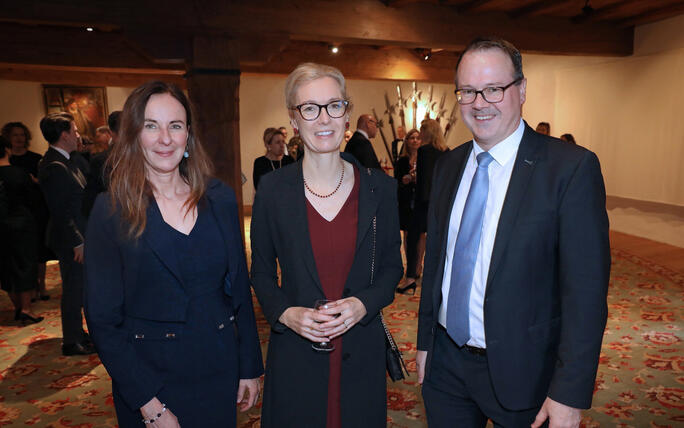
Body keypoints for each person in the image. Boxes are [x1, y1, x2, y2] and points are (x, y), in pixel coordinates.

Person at [416, 36, 610, 428]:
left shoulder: (569, 169)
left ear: (521, 90)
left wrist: (569, 392)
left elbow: (586, 295)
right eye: (468, 91)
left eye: (493, 89)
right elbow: (437, 263)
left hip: (528, 373)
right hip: (446, 367)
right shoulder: (449, 166)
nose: (479, 102)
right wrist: (425, 343)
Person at [83, 81, 263, 427]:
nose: (165, 138)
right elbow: (103, 321)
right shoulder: (111, 211)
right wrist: (150, 405)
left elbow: (239, 290)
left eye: (175, 126)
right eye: (151, 126)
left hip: (218, 369)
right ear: (134, 135)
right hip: (150, 379)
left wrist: (249, 366)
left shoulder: (220, 199)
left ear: (188, 135)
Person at [250, 62, 403, 428]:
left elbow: (391, 268)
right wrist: (287, 314)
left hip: (361, 352)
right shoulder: (273, 191)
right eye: (310, 108)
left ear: (347, 114)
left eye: (334, 105)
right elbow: (261, 272)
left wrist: (363, 304)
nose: (323, 119)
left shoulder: (378, 188)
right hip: (296, 352)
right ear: (294, 119)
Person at [38, 112, 93, 356]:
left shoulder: (68, 159)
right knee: (73, 289)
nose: (78, 134)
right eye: (74, 130)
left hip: (79, 234)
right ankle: (71, 341)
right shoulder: (54, 165)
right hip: (70, 239)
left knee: (79, 288)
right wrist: (77, 242)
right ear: (64, 135)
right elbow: (60, 211)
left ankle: (78, 334)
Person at [2, 121, 52, 301]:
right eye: (15, 135)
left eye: (22, 135)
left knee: (40, 251)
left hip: (35, 209)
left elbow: (44, 184)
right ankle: (26, 290)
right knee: (20, 254)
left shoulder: (36, 158)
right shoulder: (7, 162)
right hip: (14, 212)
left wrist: (36, 182)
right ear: (8, 138)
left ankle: (41, 285)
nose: (19, 138)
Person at [400, 119, 449, 294]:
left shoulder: (424, 151)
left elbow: (424, 181)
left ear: (427, 132)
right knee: (438, 240)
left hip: (424, 202)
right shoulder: (446, 151)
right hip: (441, 202)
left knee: (413, 239)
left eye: (421, 129)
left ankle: (411, 278)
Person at [0, 135, 43, 324]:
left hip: (1, 225)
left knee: (6, 266)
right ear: (7, 149)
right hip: (21, 223)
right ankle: (26, 308)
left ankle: (17, 307)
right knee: (25, 264)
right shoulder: (19, 173)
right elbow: (32, 199)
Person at [394, 128, 420, 265]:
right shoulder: (402, 160)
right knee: (406, 233)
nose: (415, 140)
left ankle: (417, 267)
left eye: (417, 137)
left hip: (420, 200)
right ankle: (409, 264)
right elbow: (395, 181)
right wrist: (403, 181)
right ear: (407, 141)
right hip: (405, 201)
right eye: (412, 138)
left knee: (420, 234)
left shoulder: (424, 158)